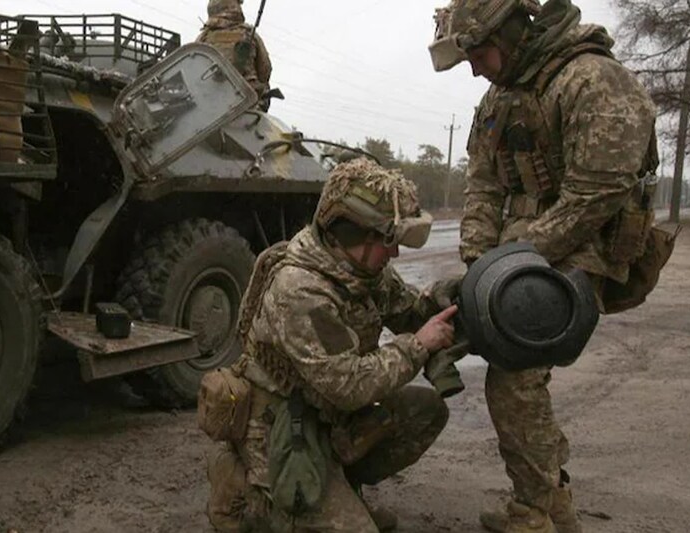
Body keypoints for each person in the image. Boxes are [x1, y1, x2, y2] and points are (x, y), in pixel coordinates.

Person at [429, 1, 659, 532]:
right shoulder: (499, 97)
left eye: (479, 54)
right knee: (465, 328)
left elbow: (595, 195)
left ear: (509, 34)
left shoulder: (593, 79)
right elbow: (484, 183)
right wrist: (477, 262)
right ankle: (551, 501)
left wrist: (511, 260)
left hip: (582, 251)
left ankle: (535, 513)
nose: (475, 68)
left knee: (513, 375)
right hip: (522, 252)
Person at [205, 158, 461, 532]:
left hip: (327, 414)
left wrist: (445, 299)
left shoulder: (361, 269)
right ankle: (251, 495)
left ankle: (338, 484)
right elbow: (348, 386)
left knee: (426, 411)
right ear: (354, 234)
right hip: (281, 425)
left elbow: (407, 311)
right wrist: (418, 346)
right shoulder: (300, 289)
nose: (394, 254)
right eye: (388, 242)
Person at [196, 0, 273, 110]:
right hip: (248, 103)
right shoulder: (249, 34)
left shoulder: (203, 38)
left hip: (211, 107)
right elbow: (265, 70)